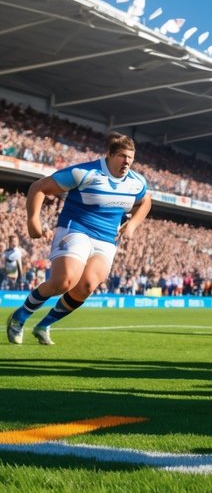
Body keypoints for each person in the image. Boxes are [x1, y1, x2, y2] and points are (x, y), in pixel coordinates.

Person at [7, 133, 150, 345]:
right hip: (76, 230)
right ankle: (19, 317)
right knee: (65, 281)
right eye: (122, 156)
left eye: (130, 157)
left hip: (107, 240)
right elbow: (38, 187)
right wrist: (33, 222)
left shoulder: (137, 182)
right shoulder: (84, 173)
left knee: (87, 286)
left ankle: (44, 325)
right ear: (109, 155)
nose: (127, 161)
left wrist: (133, 224)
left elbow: (146, 201)